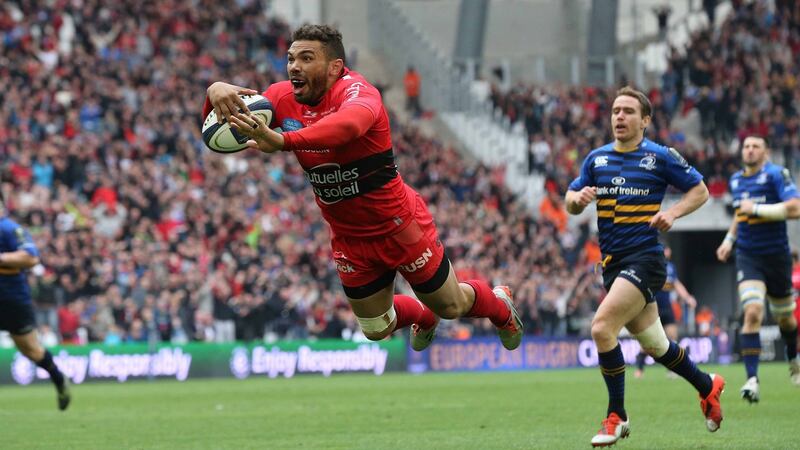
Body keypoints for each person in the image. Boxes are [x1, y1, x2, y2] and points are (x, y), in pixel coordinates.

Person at [204, 24, 522, 353]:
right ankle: (424, 316)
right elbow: (216, 131)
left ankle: (500, 307)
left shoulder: (359, 92)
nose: (294, 66)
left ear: (334, 67)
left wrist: (284, 140)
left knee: (452, 307)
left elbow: (348, 126)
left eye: (306, 58)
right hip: (349, 237)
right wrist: (214, 92)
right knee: (375, 328)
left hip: (398, 226)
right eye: (291, 58)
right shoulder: (281, 97)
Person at [565, 86, 724, 447]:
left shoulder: (659, 157)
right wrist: (578, 199)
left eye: (628, 111)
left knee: (602, 328)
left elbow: (699, 191)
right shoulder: (596, 159)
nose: (619, 116)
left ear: (645, 120)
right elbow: (571, 200)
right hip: (612, 265)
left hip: (646, 260)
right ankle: (707, 385)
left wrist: (671, 213)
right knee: (655, 344)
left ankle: (617, 417)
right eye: (615, 111)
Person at [715, 135, 800, 403]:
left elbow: (795, 208)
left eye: (756, 147)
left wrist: (759, 209)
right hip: (748, 255)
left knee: (786, 319)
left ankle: (792, 356)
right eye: (746, 147)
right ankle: (752, 380)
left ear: (766, 152)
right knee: (752, 311)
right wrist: (729, 240)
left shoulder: (777, 174)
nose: (750, 150)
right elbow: (742, 214)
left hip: (777, 258)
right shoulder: (736, 180)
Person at [0, 208, 70, 410]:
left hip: (11, 300)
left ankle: (58, 379)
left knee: (31, 350)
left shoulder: (10, 229)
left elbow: (31, 258)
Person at [635, 245, 697, 378]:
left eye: (669, 250)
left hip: (667, 308)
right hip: (652, 308)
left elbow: (676, 284)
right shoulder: (651, 264)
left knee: (672, 338)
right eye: (666, 249)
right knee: (647, 342)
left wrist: (687, 298)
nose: (668, 252)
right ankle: (639, 370)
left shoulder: (671, 267)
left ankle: (672, 369)